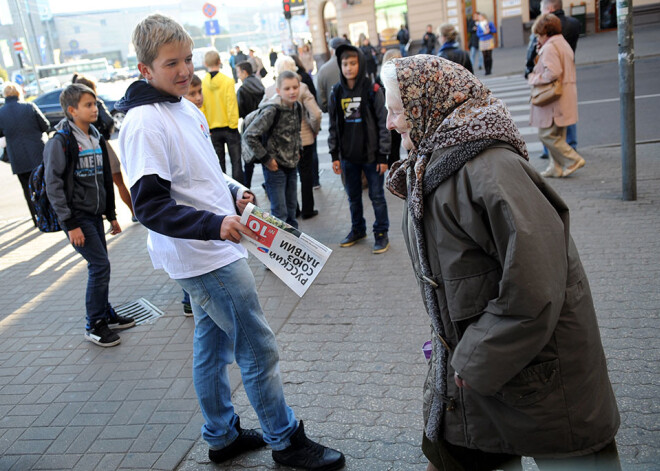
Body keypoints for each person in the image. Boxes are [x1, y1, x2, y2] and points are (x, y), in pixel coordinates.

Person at [116, 14, 345, 470]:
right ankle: (286, 441)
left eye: (187, 60)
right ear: (145, 69)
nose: (184, 71)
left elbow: (200, 171)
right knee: (257, 348)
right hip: (205, 255)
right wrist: (214, 224)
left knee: (212, 346)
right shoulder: (144, 123)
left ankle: (221, 436)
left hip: (212, 247)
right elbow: (149, 206)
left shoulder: (182, 107)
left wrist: (232, 189)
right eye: (170, 64)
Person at [382, 55, 621, 471]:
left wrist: (476, 358)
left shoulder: (489, 170)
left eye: (396, 110)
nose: (389, 122)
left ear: (428, 105)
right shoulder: (438, 159)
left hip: (539, 374)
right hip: (486, 372)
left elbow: (536, 286)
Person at [44, 83, 134, 347]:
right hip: (77, 217)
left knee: (100, 264)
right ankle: (93, 324)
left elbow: (106, 178)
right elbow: (54, 185)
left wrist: (111, 214)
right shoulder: (61, 142)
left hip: (95, 214)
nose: (94, 109)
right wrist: (70, 224)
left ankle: (104, 313)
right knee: (100, 266)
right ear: (72, 110)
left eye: (94, 104)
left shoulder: (96, 136)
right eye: (88, 105)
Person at [329, 44, 391, 254]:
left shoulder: (372, 89)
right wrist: (334, 154)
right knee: (353, 197)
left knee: (377, 197)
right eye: (345, 64)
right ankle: (358, 229)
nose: (348, 67)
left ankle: (381, 233)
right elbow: (333, 125)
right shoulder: (336, 91)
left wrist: (384, 156)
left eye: (353, 63)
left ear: (360, 64)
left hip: (372, 156)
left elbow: (383, 123)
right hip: (348, 157)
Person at [72, 74, 137, 222]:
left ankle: (103, 215)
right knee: (119, 182)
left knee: (95, 184)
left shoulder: (76, 108)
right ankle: (134, 212)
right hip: (102, 145)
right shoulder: (96, 103)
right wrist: (105, 135)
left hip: (84, 149)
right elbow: (109, 121)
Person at [263, 56, 322, 220]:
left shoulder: (269, 90)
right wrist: (314, 129)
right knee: (305, 174)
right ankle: (308, 209)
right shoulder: (301, 87)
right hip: (305, 138)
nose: (291, 91)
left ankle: (293, 209)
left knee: (290, 177)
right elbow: (316, 114)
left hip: (282, 144)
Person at [243, 70, 304, 228]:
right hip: (275, 168)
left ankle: (294, 245)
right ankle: (280, 249)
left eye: (295, 87)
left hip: (291, 164)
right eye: (287, 88)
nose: (292, 92)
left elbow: (296, 131)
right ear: (278, 91)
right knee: (280, 213)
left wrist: (299, 151)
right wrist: (266, 159)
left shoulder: (297, 106)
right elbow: (250, 135)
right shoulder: (272, 110)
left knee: (292, 210)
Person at [528, 13, 585, 178]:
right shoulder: (561, 42)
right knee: (558, 134)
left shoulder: (551, 47)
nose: (538, 38)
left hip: (554, 99)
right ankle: (556, 167)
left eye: (539, 34)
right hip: (564, 96)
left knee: (546, 134)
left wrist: (534, 77)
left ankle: (572, 159)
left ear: (546, 33)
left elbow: (553, 72)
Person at [0, 81, 48, 227]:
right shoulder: (29, 107)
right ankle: (49, 214)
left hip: (18, 158)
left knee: (27, 190)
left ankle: (36, 219)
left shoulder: (1, 113)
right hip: (37, 154)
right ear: (18, 93)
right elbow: (45, 125)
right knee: (43, 185)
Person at [202, 50, 244, 184]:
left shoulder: (202, 84)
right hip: (229, 127)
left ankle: (225, 193)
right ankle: (240, 193)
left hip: (212, 129)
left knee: (219, 166)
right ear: (219, 62)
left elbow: (202, 108)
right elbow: (231, 104)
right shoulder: (227, 81)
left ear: (205, 63)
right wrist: (233, 125)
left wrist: (207, 127)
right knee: (236, 163)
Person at [236, 61, 265, 188]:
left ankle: (246, 187)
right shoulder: (259, 83)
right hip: (263, 125)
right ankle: (268, 184)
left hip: (249, 127)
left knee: (248, 161)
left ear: (244, 72)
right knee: (264, 157)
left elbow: (240, 110)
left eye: (238, 72)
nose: (238, 75)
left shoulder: (242, 89)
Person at [377, 49, 404, 169]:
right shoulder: (382, 81)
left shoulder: (403, 77)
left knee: (397, 148)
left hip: (394, 118)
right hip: (393, 118)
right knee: (394, 149)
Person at [315, 37, 347, 113]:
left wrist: (327, 108)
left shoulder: (323, 69)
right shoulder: (355, 65)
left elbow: (321, 100)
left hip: (334, 112)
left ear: (332, 50)